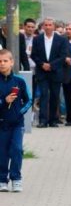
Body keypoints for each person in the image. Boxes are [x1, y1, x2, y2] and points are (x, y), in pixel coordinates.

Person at [0, 49, 32, 192]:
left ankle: (16, 178)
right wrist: (4, 101)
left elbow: (29, 100)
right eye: (0, 61)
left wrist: (20, 112)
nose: (2, 64)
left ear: (12, 62)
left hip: (17, 123)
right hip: (2, 123)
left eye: (5, 61)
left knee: (17, 150)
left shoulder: (19, 81)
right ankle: (2, 180)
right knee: (2, 152)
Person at [30, 17, 68, 128]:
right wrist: (42, 64)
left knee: (55, 96)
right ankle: (43, 120)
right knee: (43, 95)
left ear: (54, 26)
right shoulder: (37, 39)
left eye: (50, 25)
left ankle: (53, 120)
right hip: (42, 72)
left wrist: (51, 65)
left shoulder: (61, 40)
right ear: (43, 27)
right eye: (45, 25)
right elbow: (34, 55)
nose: (47, 27)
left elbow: (63, 55)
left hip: (55, 72)